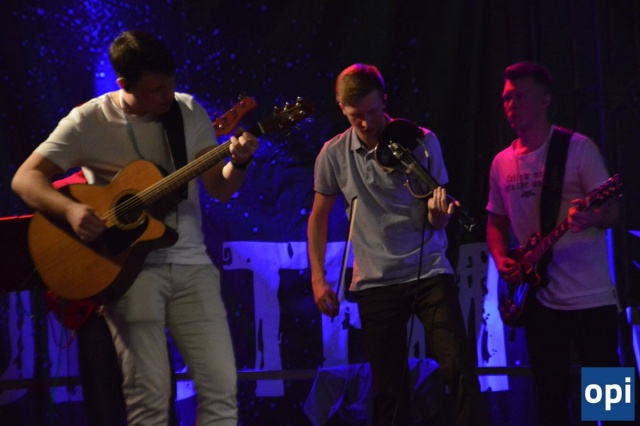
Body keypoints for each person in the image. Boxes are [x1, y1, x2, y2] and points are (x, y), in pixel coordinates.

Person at [11, 30, 258, 425]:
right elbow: (25, 179)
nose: (167, 96)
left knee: (221, 389)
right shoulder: (88, 121)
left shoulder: (188, 111)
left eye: (170, 86)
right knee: (149, 398)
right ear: (124, 84)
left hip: (192, 265)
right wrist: (71, 211)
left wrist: (239, 162)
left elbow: (220, 188)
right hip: (128, 272)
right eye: (156, 90)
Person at [307, 63, 490, 426]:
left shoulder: (422, 141)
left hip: (429, 271)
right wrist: (317, 279)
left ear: (385, 101)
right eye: (356, 115)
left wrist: (439, 216)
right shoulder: (333, 154)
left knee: (458, 365)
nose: (366, 123)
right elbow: (318, 217)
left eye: (373, 112)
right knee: (389, 388)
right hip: (375, 282)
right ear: (341, 108)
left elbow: (438, 219)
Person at [486, 61, 622, 425]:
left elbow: (612, 210)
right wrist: (501, 260)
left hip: (591, 296)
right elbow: (495, 221)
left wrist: (594, 217)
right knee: (549, 398)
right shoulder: (501, 163)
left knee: (609, 399)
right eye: (506, 98)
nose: (511, 105)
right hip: (538, 299)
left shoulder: (577, 149)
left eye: (520, 97)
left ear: (545, 100)